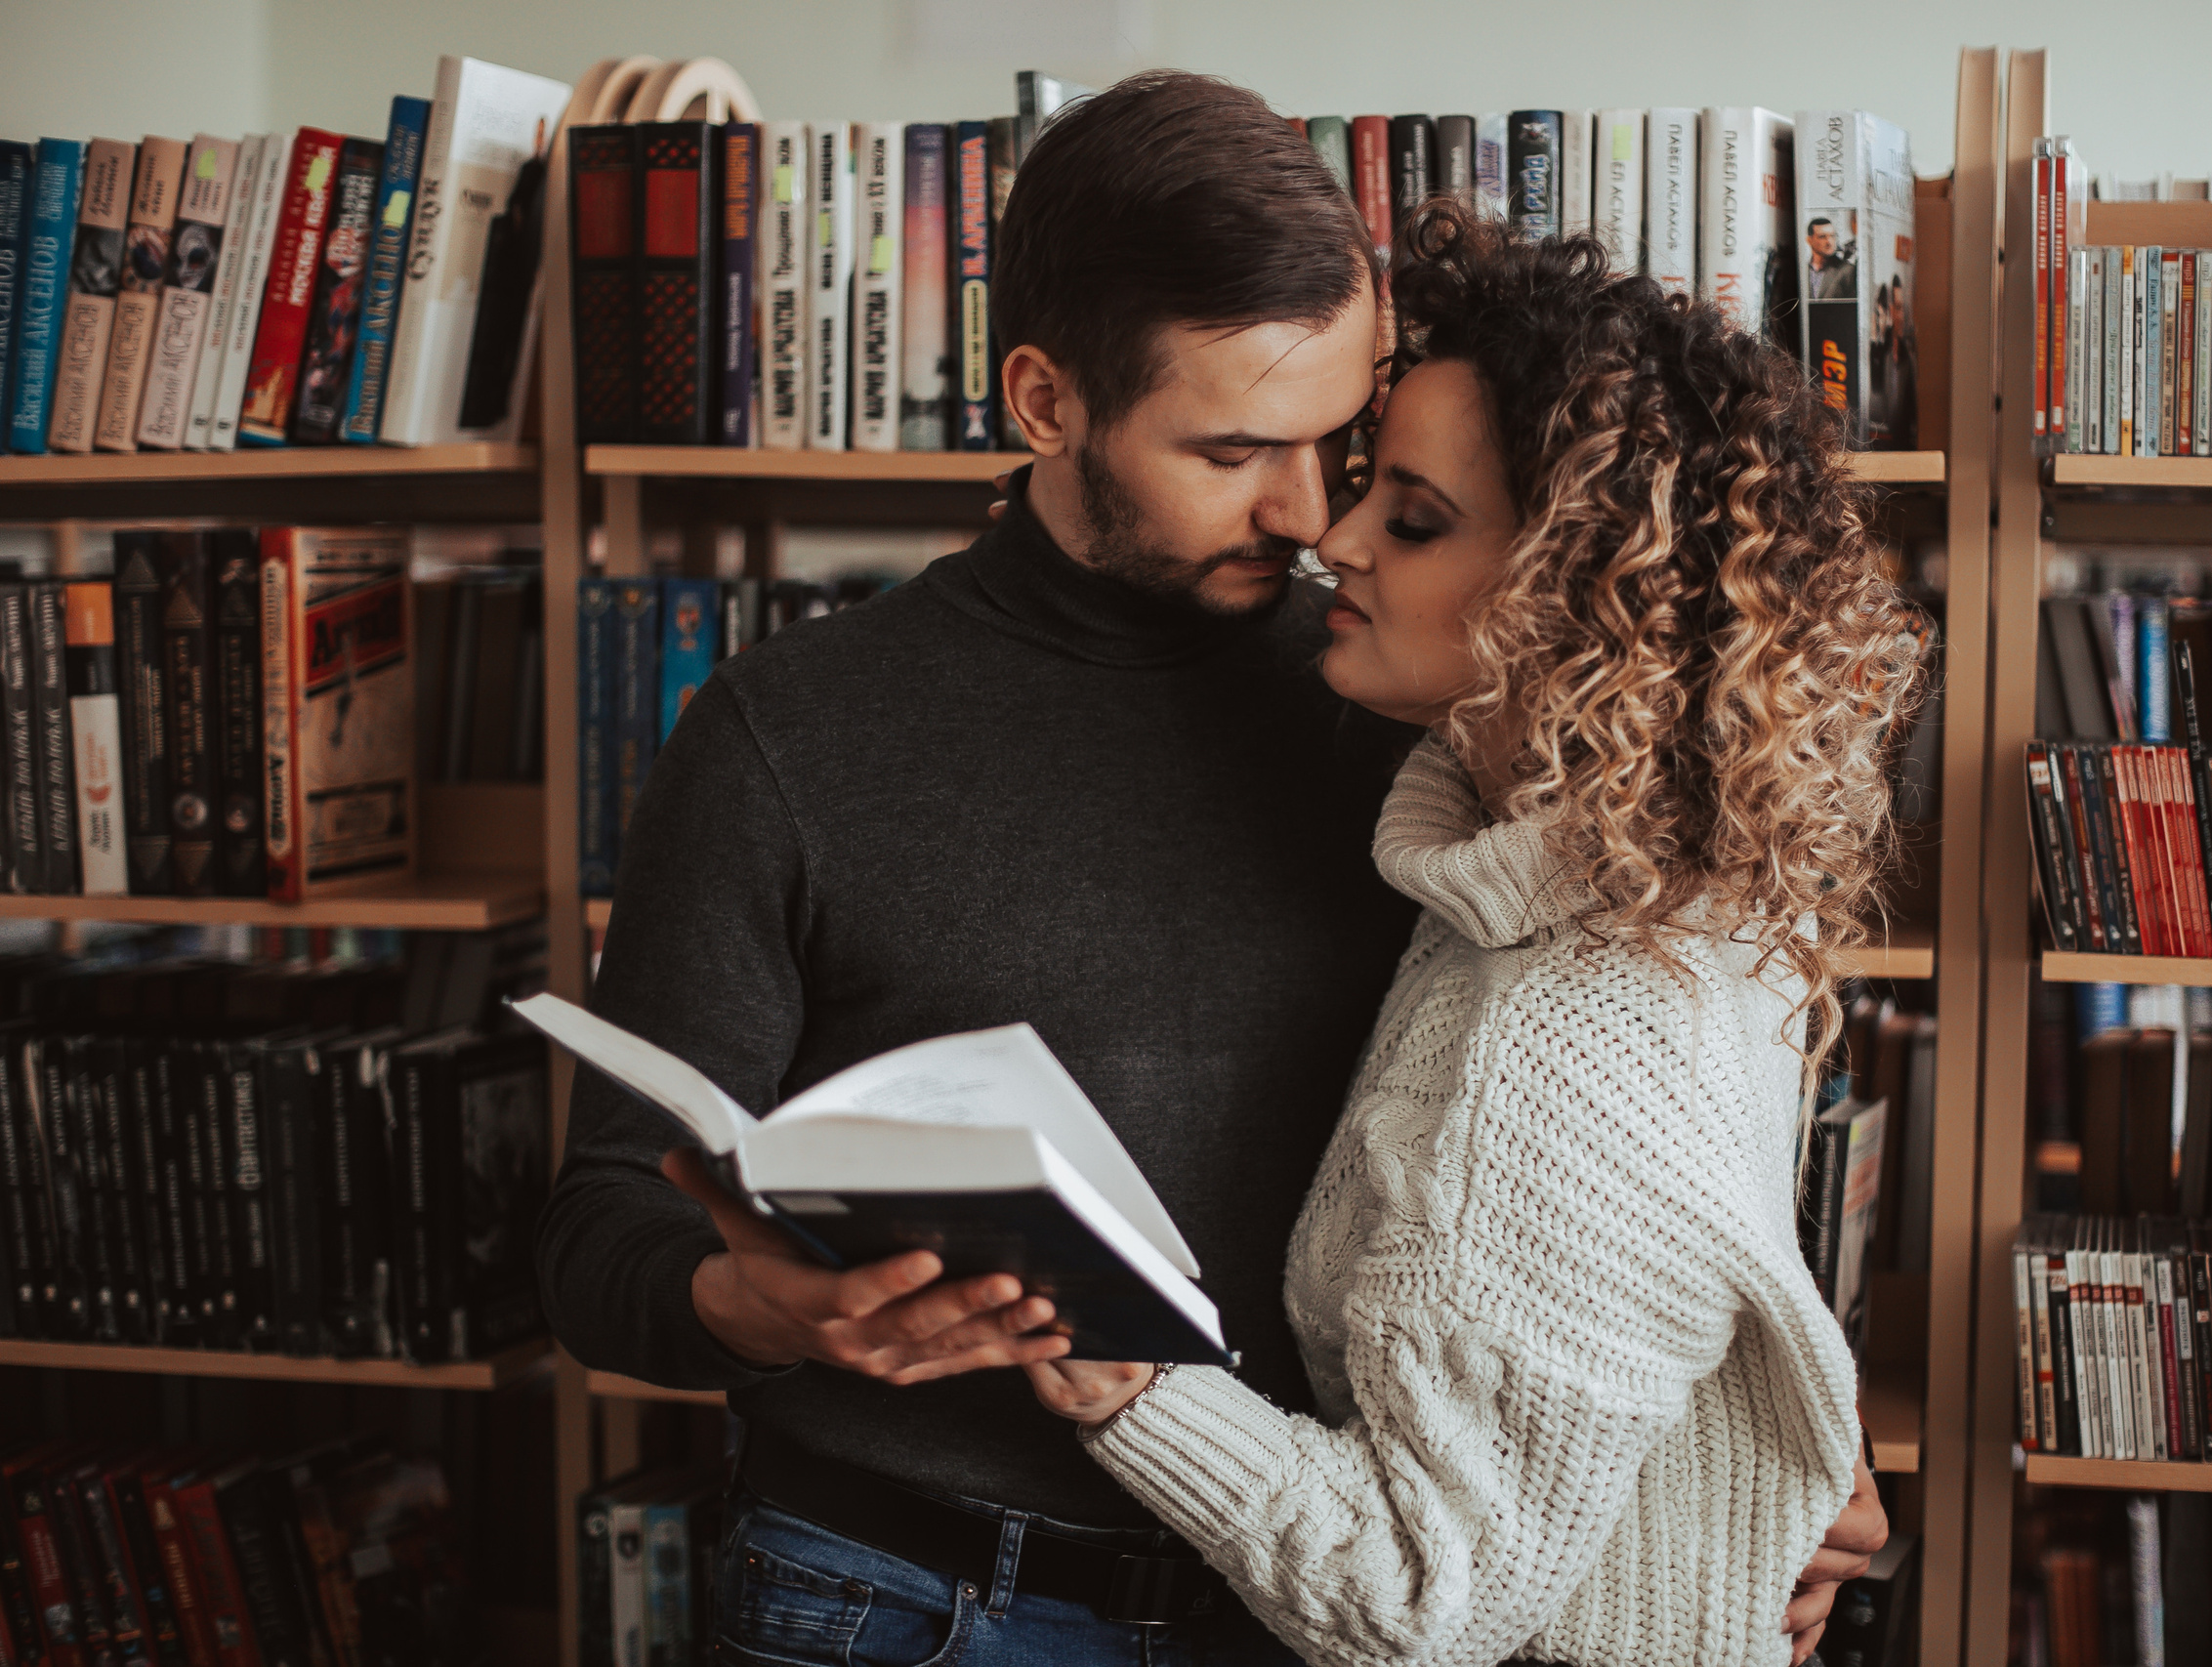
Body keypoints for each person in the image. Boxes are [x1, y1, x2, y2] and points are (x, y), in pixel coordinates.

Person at [542, 70, 1884, 1667]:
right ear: (1046, 402)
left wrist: (1760, 1435)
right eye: (1239, 449)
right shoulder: (788, 734)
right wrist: (756, 1307)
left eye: (1345, 442)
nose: (1312, 515)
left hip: (1311, 1607)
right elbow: (598, 1232)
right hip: (904, 1590)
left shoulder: (1437, 707)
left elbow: (1640, 1138)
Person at [1023, 203, 1910, 1667]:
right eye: (1361, 484)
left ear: (1589, 594)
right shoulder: (1638, 880)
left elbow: (1422, 1599)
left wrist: (1127, 1380)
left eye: (1415, 518)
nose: (1333, 538)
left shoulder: (1575, 1028)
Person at [1805, 214, 1857, 300]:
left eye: (1832, 236)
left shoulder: (1848, 270)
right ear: (1809, 240)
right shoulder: (1802, 271)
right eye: (1822, 237)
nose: (1829, 242)